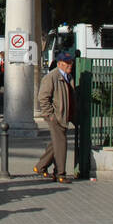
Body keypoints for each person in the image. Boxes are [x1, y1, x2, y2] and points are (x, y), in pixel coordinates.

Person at [35, 50, 75, 183]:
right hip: (56, 116)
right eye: (67, 63)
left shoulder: (68, 77)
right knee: (61, 144)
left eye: (71, 62)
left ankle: (40, 166)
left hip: (64, 116)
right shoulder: (52, 77)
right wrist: (50, 115)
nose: (70, 65)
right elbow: (43, 97)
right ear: (59, 64)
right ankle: (60, 173)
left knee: (56, 143)